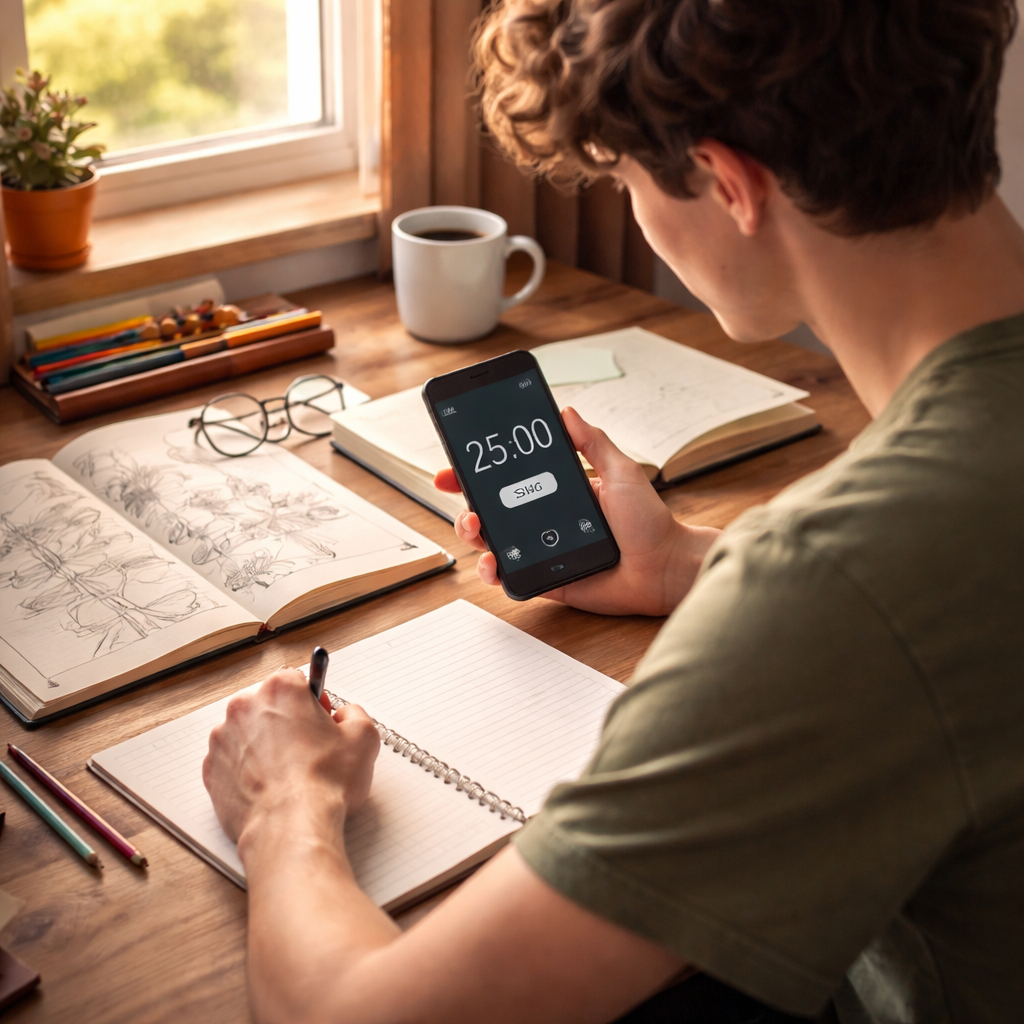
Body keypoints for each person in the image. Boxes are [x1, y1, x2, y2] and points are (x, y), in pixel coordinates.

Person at [202, 0, 1024, 1021]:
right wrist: (683, 565)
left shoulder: (837, 583)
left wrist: (284, 804)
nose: (634, 212)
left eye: (626, 180)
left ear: (727, 184)